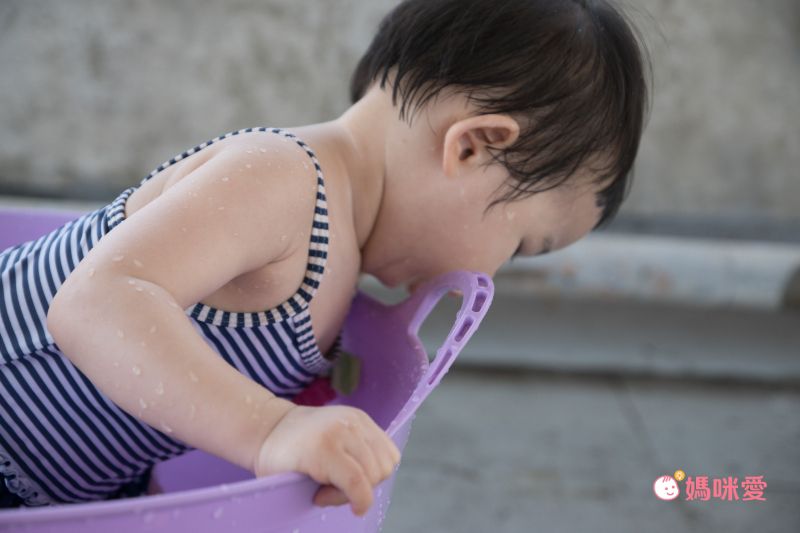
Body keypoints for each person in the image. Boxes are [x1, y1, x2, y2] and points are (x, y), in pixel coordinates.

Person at [0, 0, 650, 516]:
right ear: (472, 147)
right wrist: (271, 428)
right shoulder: (284, 182)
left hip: (60, 482)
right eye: (521, 245)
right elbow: (95, 302)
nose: (489, 275)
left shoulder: (341, 260)